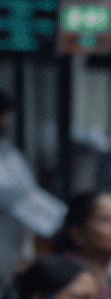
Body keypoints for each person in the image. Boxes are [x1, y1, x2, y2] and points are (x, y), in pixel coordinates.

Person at [0, 90, 36, 286]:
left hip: (13, 250)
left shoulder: (10, 153)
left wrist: (28, 250)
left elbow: (29, 195)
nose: (6, 121)